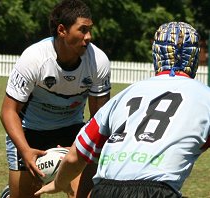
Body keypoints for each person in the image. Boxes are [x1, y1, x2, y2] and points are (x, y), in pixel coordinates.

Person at [35, 22, 210, 198]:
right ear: (193, 57)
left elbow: (75, 156)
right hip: (157, 191)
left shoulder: (124, 95)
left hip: (104, 190)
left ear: (156, 55)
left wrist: (58, 183)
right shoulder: (205, 96)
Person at [0, 0, 111, 197]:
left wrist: (81, 146)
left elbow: (100, 118)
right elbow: (8, 112)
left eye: (90, 29)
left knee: (84, 195)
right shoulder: (34, 58)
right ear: (62, 30)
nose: (89, 37)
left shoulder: (98, 61)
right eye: (83, 30)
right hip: (30, 132)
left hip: (71, 131)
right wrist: (25, 151)